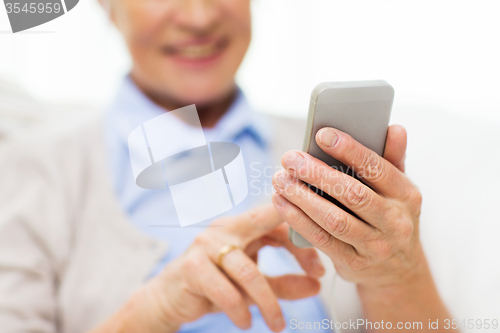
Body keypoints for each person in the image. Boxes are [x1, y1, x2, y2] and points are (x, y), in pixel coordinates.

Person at [0, 0, 459, 332]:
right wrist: (154, 311)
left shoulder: (332, 151)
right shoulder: (36, 169)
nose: (199, 17)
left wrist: (399, 274)